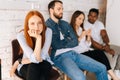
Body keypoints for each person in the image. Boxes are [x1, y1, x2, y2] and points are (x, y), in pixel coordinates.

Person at [45, 0, 108, 80]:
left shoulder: (65, 24)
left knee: (102, 68)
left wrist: (65, 42)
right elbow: (56, 45)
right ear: (51, 10)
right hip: (60, 57)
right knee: (80, 77)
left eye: (62, 9)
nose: (61, 11)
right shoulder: (47, 26)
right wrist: (68, 40)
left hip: (73, 53)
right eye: (59, 9)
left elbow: (75, 42)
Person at [70, 10, 120, 80]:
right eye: (79, 19)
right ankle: (113, 76)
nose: (81, 21)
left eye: (82, 19)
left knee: (102, 54)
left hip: (86, 51)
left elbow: (87, 45)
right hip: (78, 53)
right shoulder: (69, 30)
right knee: (99, 53)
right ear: (74, 18)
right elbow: (71, 46)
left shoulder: (81, 29)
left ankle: (112, 74)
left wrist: (88, 37)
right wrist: (81, 36)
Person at [10, 10, 52, 80]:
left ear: (43, 24)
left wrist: (18, 62)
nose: (36, 27)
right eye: (32, 23)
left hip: (44, 62)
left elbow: (41, 57)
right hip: (25, 65)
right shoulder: (21, 35)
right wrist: (39, 38)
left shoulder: (48, 31)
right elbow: (36, 59)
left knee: (35, 67)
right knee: (38, 72)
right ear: (27, 25)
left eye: (39, 23)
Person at [84, 8, 120, 79]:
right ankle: (108, 74)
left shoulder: (99, 23)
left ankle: (116, 71)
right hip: (93, 47)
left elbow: (105, 36)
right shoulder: (84, 25)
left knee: (119, 49)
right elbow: (92, 43)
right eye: (90, 15)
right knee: (104, 55)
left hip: (102, 45)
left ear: (97, 17)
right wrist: (106, 49)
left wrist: (107, 45)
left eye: (94, 16)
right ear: (88, 15)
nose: (92, 18)